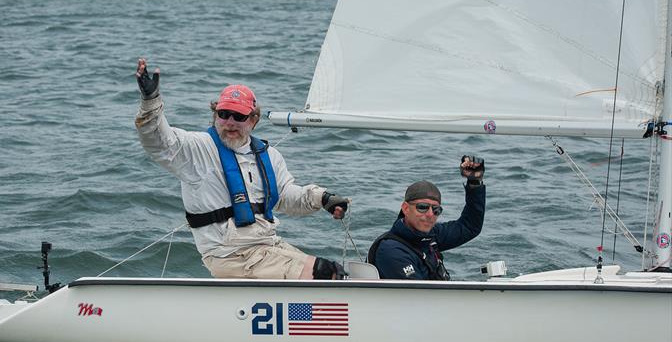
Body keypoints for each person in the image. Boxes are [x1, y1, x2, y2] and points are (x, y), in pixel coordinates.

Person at [133, 57, 350, 280]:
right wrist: (150, 101)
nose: (230, 122)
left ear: (253, 120)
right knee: (325, 273)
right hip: (229, 255)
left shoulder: (269, 156)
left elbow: (284, 196)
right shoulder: (198, 149)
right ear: (215, 114)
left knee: (338, 274)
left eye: (239, 116)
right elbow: (158, 142)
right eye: (223, 114)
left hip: (266, 245)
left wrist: (321, 198)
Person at [367, 156, 486, 279]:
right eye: (422, 207)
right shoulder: (391, 250)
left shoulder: (430, 235)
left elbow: (469, 226)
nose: (430, 214)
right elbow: (417, 295)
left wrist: (474, 182)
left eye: (436, 210)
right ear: (406, 208)